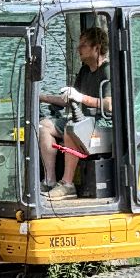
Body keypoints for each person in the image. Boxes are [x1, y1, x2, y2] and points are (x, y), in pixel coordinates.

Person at [38, 26, 111, 200]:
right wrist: (41, 97)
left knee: (72, 128)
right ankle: (49, 180)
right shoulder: (85, 70)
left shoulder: (108, 70)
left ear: (97, 47)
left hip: (104, 125)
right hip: (85, 121)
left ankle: (68, 185)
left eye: (84, 45)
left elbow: (109, 105)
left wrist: (81, 97)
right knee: (44, 125)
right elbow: (70, 99)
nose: (79, 49)